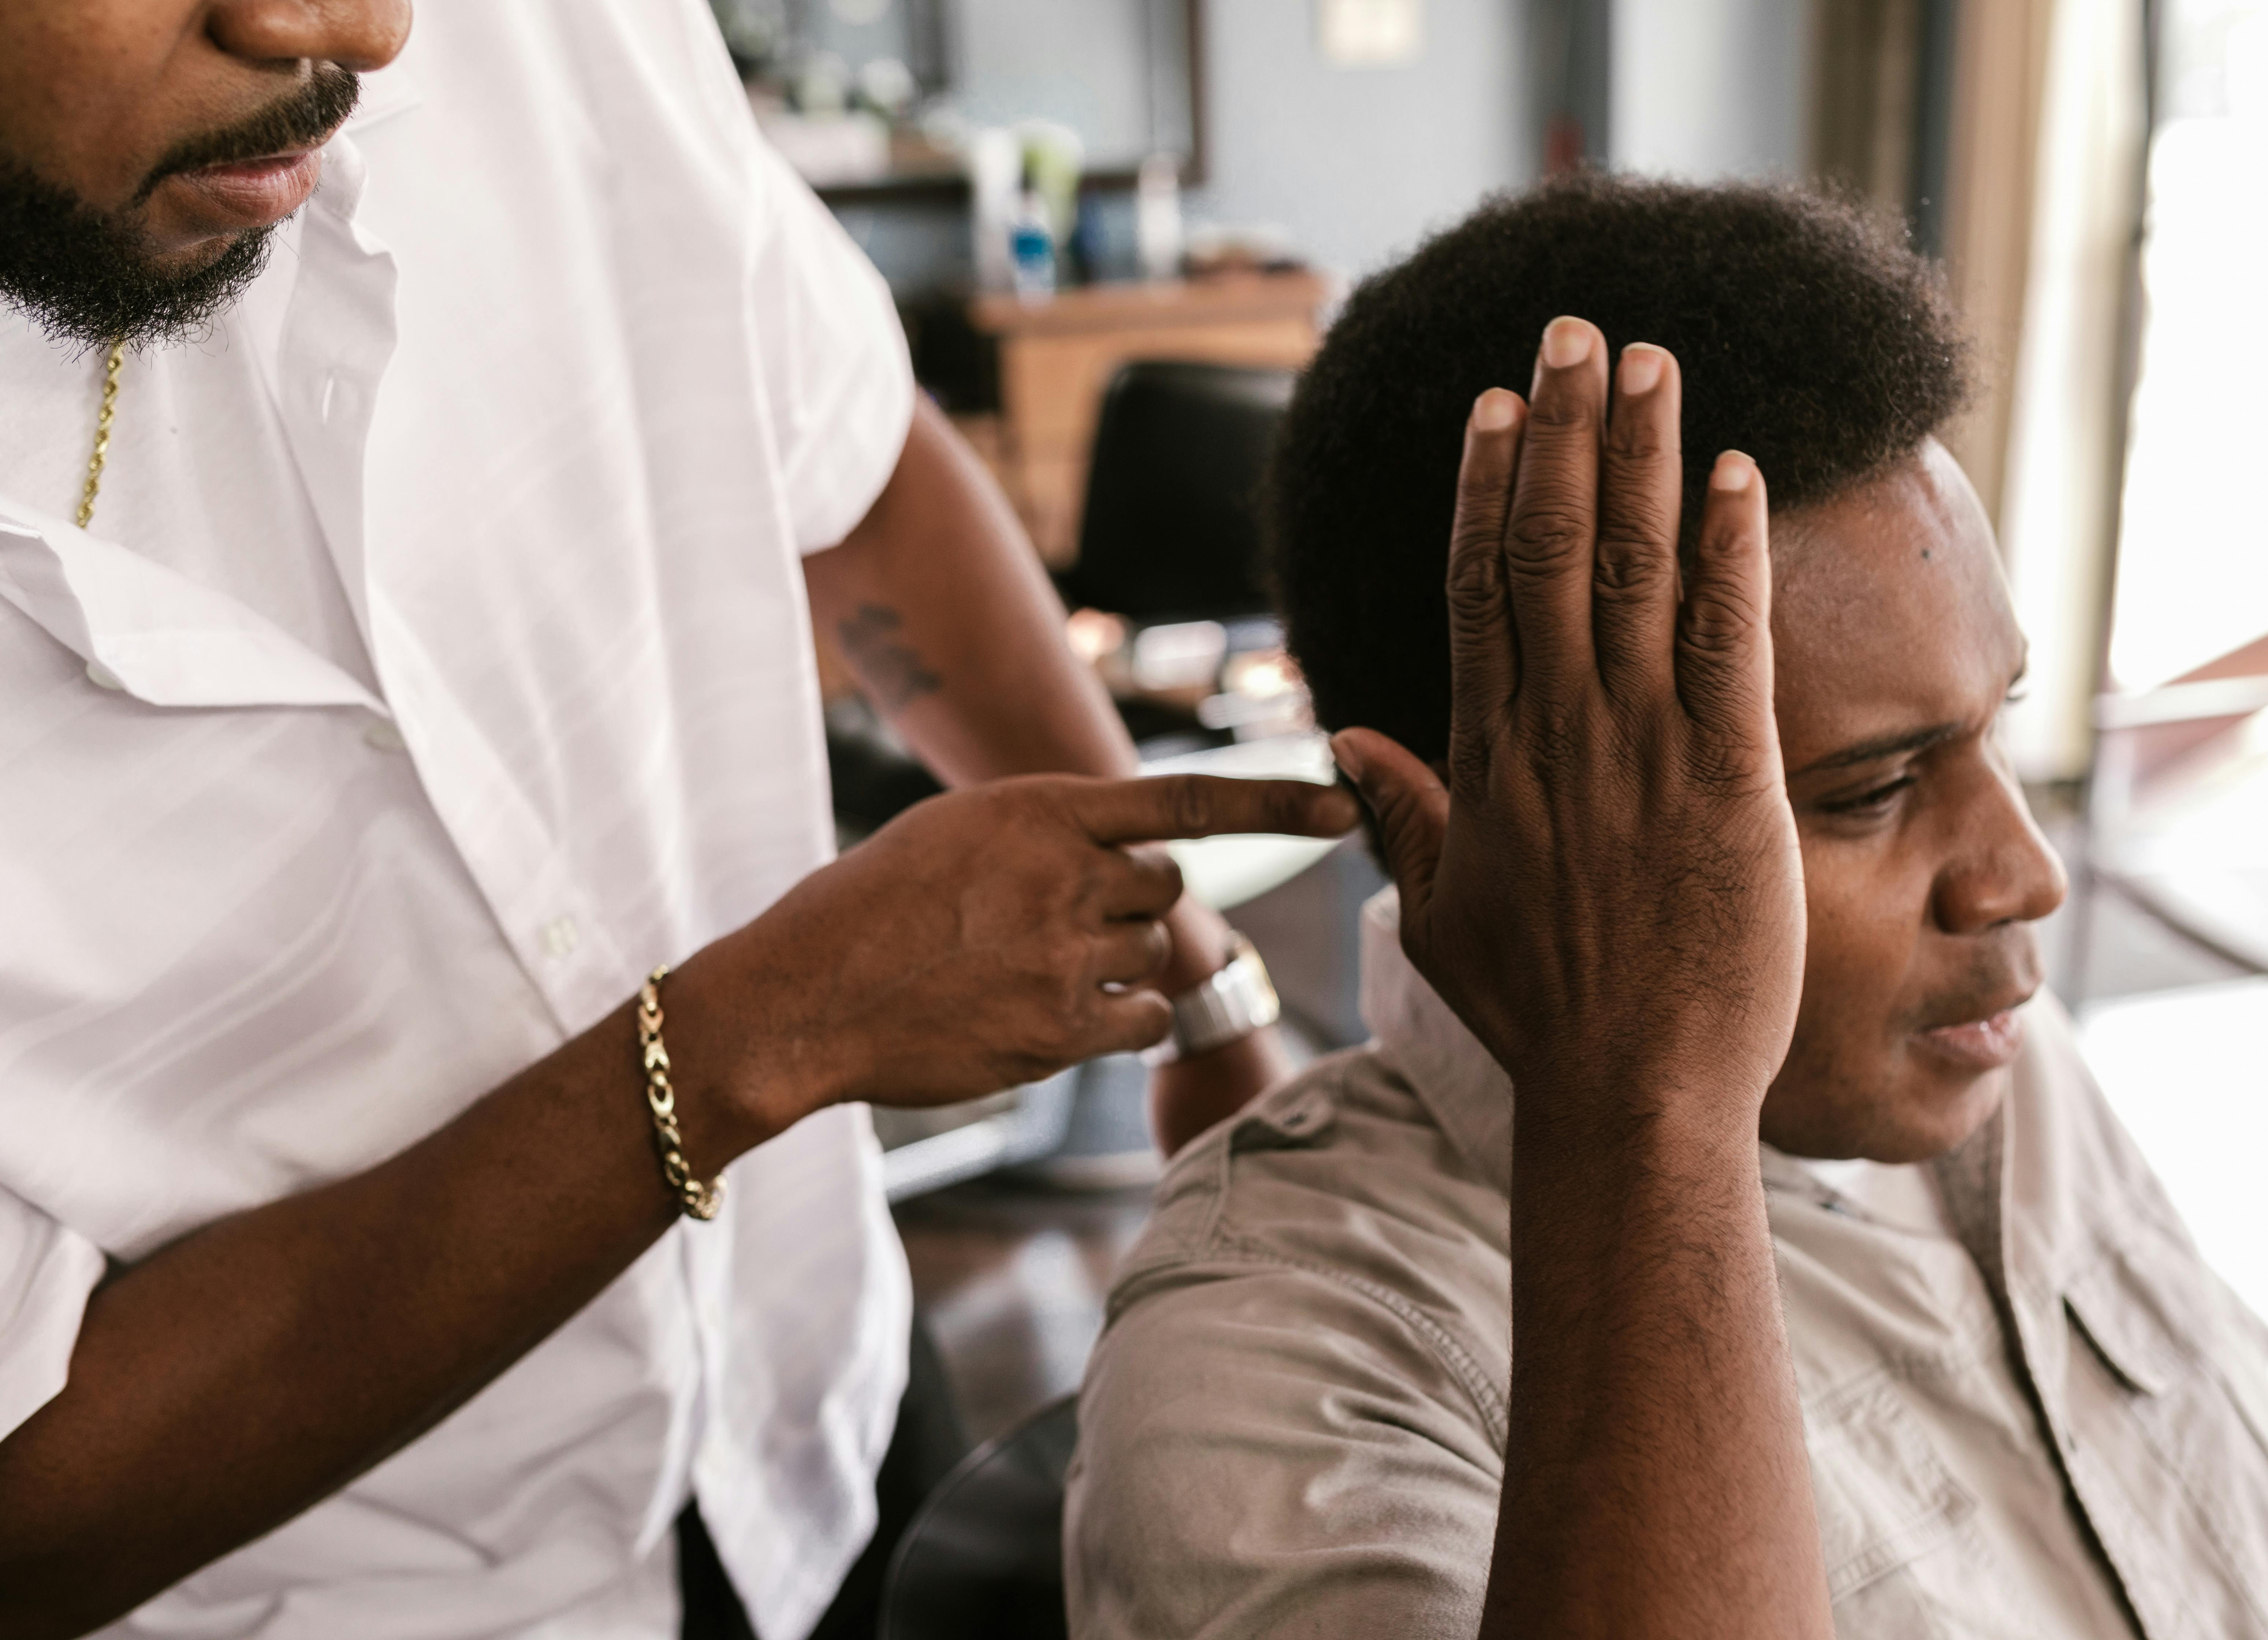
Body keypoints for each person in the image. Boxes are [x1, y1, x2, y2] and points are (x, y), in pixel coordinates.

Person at [0, 4, 1358, 1637]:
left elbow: (849, 461)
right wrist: (755, 1037)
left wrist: (1193, 968)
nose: (358, 30)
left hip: (808, 1387)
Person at [1065, 175, 2268, 1639]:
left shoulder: (1984, 1065)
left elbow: (2257, 1549)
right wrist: (1646, 1102)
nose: (2023, 874)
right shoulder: (1282, 1381)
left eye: (2001, 720)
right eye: (1867, 790)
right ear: (1468, 833)